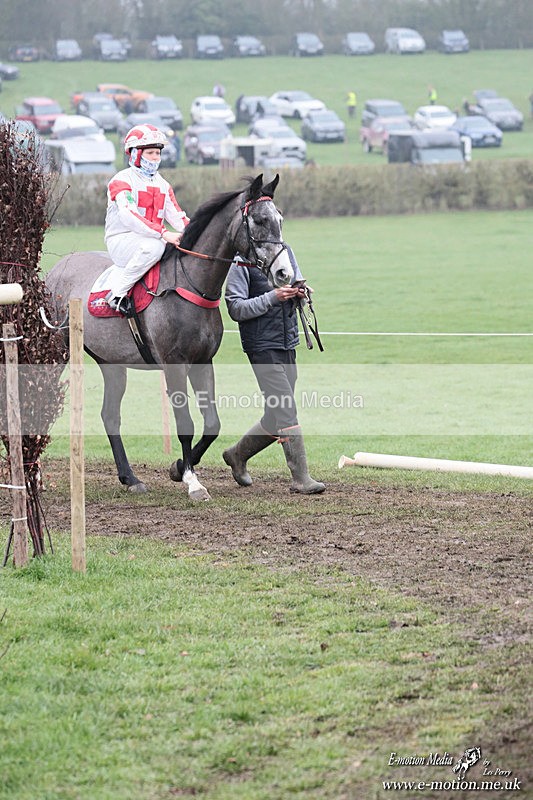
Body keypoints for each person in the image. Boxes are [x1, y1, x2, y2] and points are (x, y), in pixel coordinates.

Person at [223, 248, 325, 495]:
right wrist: (273, 297)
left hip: (287, 342)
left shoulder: (286, 252)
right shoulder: (241, 263)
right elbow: (235, 308)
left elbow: (296, 283)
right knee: (286, 409)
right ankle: (301, 479)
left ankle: (237, 454)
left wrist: (300, 293)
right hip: (261, 346)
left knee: (275, 415)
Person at [103, 124, 189, 315]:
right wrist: (164, 233)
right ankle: (117, 295)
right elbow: (129, 216)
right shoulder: (121, 181)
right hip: (122, 240)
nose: (156, 157)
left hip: (153, 238)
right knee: (156, 247)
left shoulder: (163, 184)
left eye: (158, 153)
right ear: (134, 154)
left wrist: (198, 233)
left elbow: (178, 217)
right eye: (150, 152)